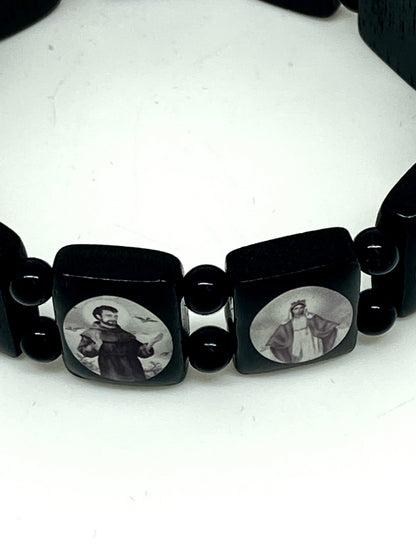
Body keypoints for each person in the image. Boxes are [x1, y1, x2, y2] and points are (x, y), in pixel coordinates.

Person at [77, 305, 162, 382]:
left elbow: (139, 351)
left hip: (135, 370)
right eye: (109, 315)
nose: (113, 318)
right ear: (98, 316)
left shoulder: (124, 334)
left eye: (115, 316)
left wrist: (151, 343)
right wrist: (96, 345)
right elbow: (83, 350)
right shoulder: (92, 333)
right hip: (112, 370)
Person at [266, 300, 338, 364]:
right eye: (296, 308)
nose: (299, 310)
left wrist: (331, 326)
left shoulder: (310, 316)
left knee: (313, 353)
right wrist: (273, 342)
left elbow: (322, 324)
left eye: (301, 308)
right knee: (299, 356)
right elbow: (281, 333)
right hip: (297, 340)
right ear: (292, 311)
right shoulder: (288, 322)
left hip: (311, 338)